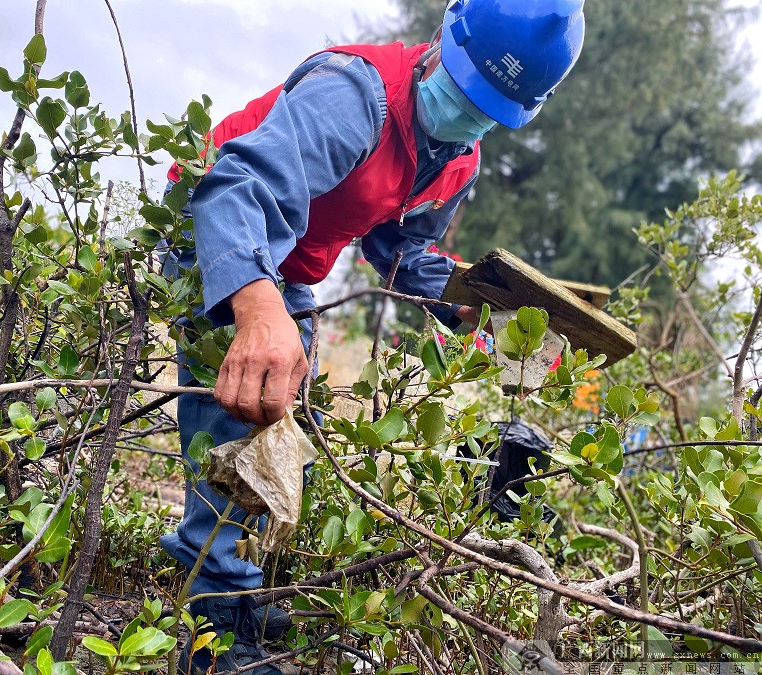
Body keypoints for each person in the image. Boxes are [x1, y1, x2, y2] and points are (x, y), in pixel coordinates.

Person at [161, 1, 586, 672]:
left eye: (492, 109)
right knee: (238, 423)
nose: (470, 116)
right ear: (444, 40)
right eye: (469, 88)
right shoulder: (356, 95)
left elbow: (399, 249)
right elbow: (237, 186)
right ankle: (213, 636)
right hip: (216, 227)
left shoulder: (458, 160)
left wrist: (476, 302)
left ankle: (244, 586)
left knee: (293, 433)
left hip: (291, 259)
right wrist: (258, 309)